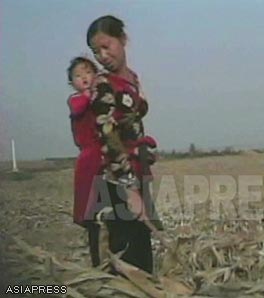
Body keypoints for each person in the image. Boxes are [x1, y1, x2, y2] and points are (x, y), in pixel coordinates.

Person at [85, 15, 162, 274]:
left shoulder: (132, 80)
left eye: (107, 46)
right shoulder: (104, 85)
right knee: (119, 265)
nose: (102, 56)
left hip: (135, 176)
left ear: (123, 40)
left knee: (141, 259)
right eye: (96, 51)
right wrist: (128, 189)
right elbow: (107, 134)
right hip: (114, 182)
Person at [66, 56, 104, 267]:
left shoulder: (100, 98)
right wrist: (89, 95)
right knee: (91, 213)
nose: (84, 78)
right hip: (89, 160)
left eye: (88, 72)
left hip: (105, 156)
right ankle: (97, 263)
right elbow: (79, 107)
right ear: (72, 83)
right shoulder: (76, 99)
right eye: (78, 76)